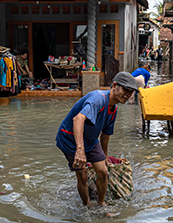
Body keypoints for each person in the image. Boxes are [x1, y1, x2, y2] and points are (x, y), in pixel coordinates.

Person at [56, 72, 138, 207]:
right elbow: (78, 119)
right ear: (115, 86)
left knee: (103, 171)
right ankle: (86, 205)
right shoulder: (98, 99)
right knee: (82, 174)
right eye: (126, 90)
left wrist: (104, 155)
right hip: (70, 137)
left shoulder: (114, 108)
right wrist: (80, 151)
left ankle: (101, 203)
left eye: (131, 92)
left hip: (90, 138)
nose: (128, 95)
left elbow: (105, 134)